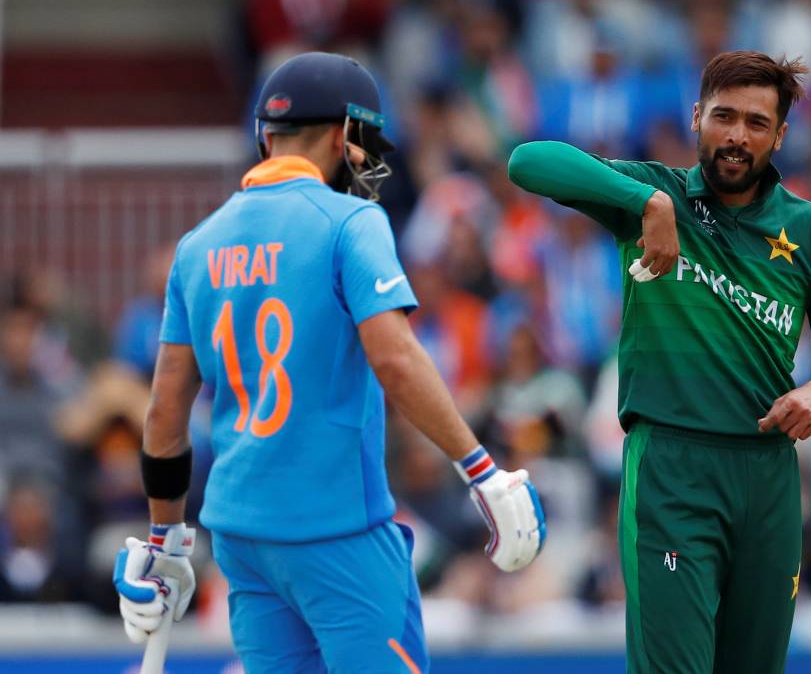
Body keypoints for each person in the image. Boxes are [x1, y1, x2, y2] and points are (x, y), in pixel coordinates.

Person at [111, 52, 544, 674]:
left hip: (243, 538)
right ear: (344, 135)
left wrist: (165, 543)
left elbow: (164, 414)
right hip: (337, 530)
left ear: (266, 136)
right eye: (364, 143)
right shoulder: (351, 220)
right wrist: (481, 469)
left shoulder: (197, 245)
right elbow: (394, 358)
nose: (368, 161)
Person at [508, 50, 811, 674]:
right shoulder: (656, 193)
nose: (737, 135)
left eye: (757, 123)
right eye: (723, 116)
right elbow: (527, 162)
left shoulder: (809, 229)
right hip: (671, 472)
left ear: (780, 135)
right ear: (696, 117)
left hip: (768, 480)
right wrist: (647, 203)